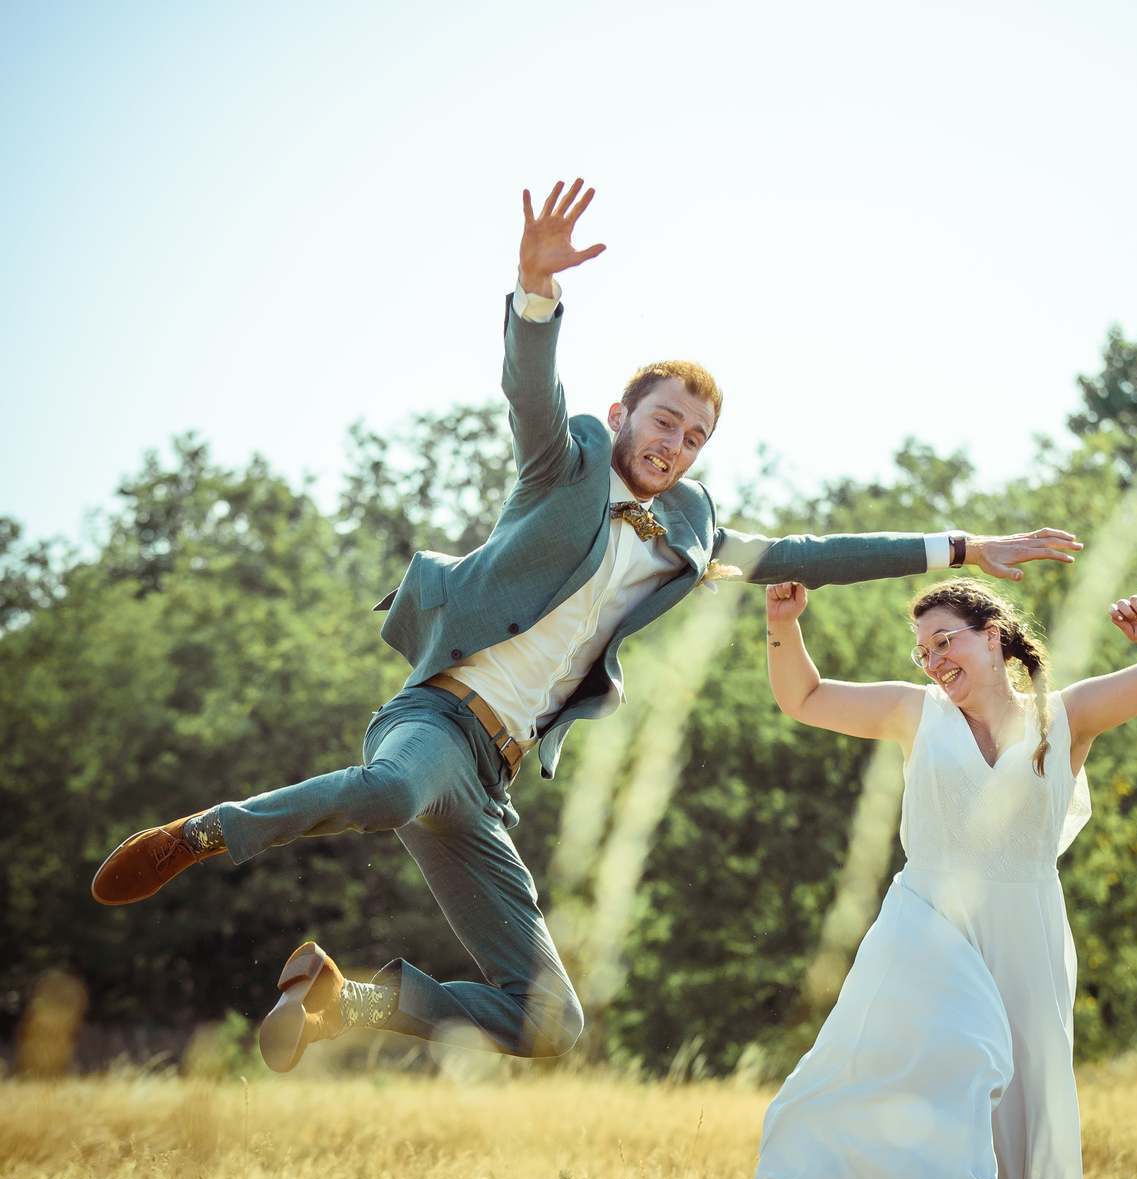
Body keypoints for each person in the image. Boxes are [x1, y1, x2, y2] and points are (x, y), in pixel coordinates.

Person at [90, 179, 1085, 1074]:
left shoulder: (690, 529)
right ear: (623, 414)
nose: (676, 445)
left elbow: (802, 554)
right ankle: (207, 833)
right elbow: (530, 389)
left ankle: (337, 999)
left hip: (491, 777)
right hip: (433, 721)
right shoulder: (562, 463)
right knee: (396, 789)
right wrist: (535, 293)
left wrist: (960, 548)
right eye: (662, 422)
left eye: (695, 438)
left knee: (548, 1024)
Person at [751, 579, 1137, 1179]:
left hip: (1026, 930)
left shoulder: (1064, 717)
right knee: (952, 1104)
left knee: (1033, 1123)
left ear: (993, 635)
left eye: (945, 641)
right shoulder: (912, 713)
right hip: (934, 933)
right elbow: (804, 696)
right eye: (923, 648)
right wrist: (782, 622)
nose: (932, 659)